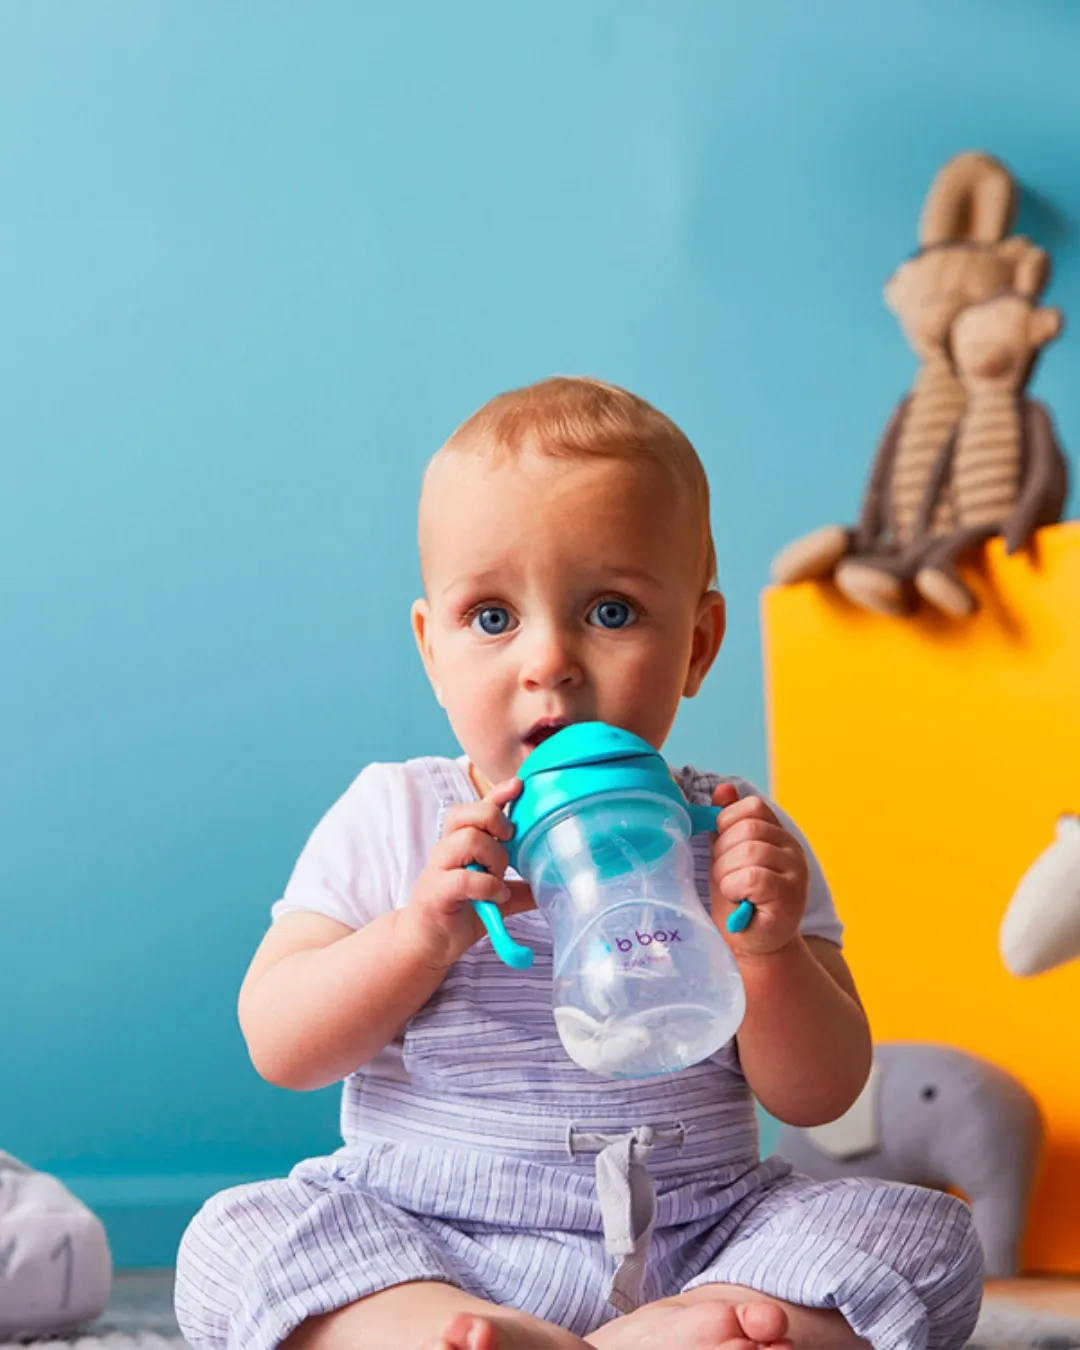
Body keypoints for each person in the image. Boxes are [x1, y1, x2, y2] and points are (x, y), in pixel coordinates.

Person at [175, 377, 984, 1350]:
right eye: (491, 618)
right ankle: (449, 1329)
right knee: (231, 1242)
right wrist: (417, 936)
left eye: (609, 611)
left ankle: (661, 1330)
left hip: (701, 1239)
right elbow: (280, 1042)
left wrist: (766, 954)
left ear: (698, 644)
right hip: (433, 1244)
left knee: (921, 1237)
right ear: (432, 652)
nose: (549, 661)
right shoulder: (395, 815)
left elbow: (820, 1095)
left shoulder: (738, 838)